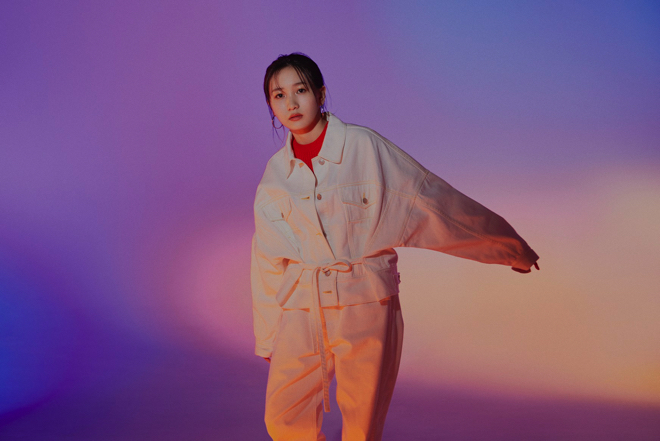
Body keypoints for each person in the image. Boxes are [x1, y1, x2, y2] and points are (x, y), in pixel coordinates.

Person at [251, 52, 539, 441]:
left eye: (300, 90)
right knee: (283, 417)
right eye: (279, 95)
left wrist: (511, 250)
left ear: (320, 93)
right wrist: (269, 334)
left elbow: (434, 204)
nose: (291, 103)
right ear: (271, 106)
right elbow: (267, 259)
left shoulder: (364, 147)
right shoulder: (275, 175)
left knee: (362, 422)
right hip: (303, 305)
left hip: (366, 302)